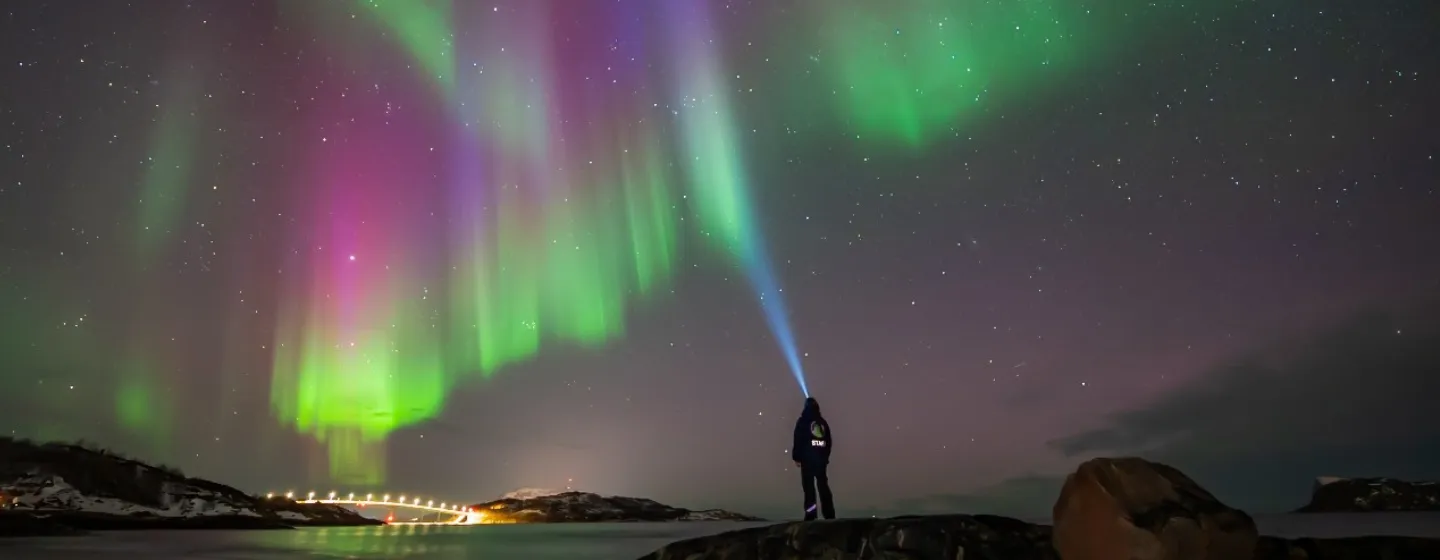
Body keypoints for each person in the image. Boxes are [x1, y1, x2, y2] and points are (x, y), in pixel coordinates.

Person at [791, 397, 834, 520]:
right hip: (820, 460)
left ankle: (811, 515)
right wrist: (825, 457)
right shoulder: (822, 422)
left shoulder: (803, 421)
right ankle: (829, 514)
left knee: (809, 489)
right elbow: (828, 441)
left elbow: (798, 438)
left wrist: (797, 457)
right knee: (823, 486)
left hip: (807, 460)